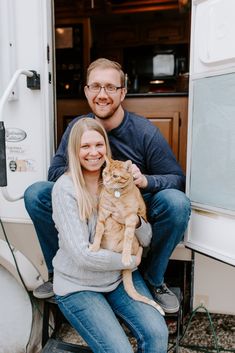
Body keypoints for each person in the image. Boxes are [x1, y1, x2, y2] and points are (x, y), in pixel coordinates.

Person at [24, 58, 191, 313]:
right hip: (90, 201)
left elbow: (176, 178)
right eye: (96, 87)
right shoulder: (77, 129)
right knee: (36, 194)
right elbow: (54, 173)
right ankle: (55, 271)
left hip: (131, 204)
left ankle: (153, 278)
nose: (102, 95)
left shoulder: (145, 132)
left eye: (111, 87)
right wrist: (89, 176)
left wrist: (144, 180)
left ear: (123, 92)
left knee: (177, 203)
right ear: (87, 91)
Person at [51, 117, 168, 352]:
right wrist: (132, 261)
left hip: (116, 278)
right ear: (74, 150)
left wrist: (135, 222)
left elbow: (145, 239)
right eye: (85, 146)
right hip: (79, 284)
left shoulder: (116, 180)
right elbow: (83, 256)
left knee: (157, 333)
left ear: (106, 148)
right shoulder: (65, 189)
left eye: (98, 145)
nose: (93, 152)